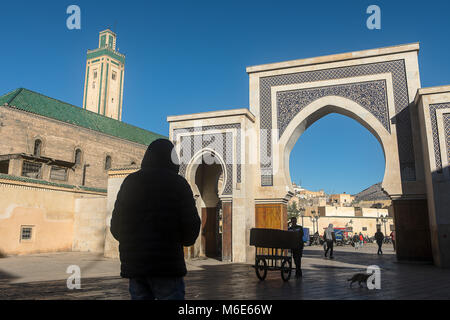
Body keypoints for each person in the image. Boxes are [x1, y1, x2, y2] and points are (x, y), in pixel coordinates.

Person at [110, 139, 201, 300]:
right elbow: (190, 231)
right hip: (167, 268)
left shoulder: (130, 182)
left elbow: (116, 228)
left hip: (136, 268)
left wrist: (134, 245)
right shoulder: (179, 185)